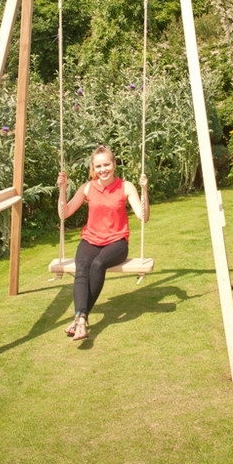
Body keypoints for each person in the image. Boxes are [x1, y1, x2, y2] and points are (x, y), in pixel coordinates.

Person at [57, 144, 149, 341]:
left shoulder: (126, 186)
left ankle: (80, 318)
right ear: (93, 167)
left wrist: (144, 191)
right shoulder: (88, 187)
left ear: (114, 164)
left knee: (97, 265)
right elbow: (64, 213)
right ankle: (81, 319)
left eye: (106, 164)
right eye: (98, 166)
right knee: (82, 267)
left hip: (117, 242)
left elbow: (143, 216)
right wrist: (62, 190)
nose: (103, 170)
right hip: (91, 239)